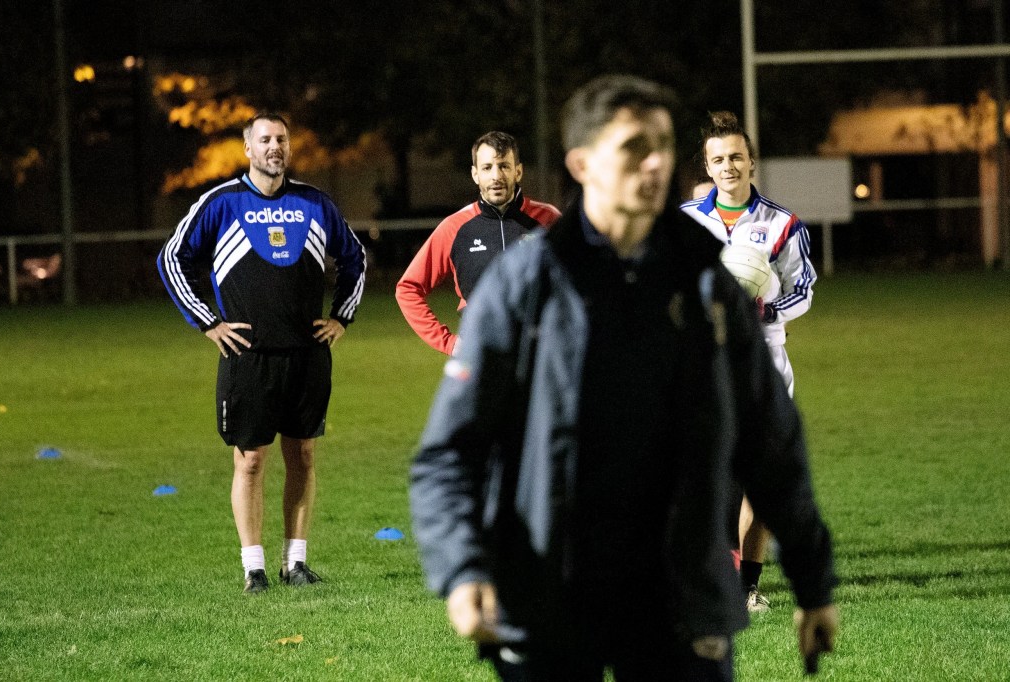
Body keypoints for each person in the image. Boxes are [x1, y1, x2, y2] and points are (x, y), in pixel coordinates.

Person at [409, 75, 838, 680]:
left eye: (662, 145)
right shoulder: (526, 282)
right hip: (550, 590)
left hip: (680, 594)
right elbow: (449, 449)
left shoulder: (707, 283)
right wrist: (462, 570)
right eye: (634, 148)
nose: (656, 162)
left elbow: (771, 438)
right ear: (582, 164)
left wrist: (813, 581)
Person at [157, 113, 367, 594]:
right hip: (248, 355)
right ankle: (254, 568)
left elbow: (354, 257)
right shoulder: (222, 202)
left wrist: (342, 316)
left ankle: (296, 563)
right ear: (248, 148)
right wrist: (208, 321)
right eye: (265, 139)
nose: (275, 147)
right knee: (250, 460)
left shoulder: (315, 202)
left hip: (307, 354)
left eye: (282, 139)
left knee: (304, 455)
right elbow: (172, 257)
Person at [681, 111, 818, 613]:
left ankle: (747, 586)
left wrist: (767, 308)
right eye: (718, 159)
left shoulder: (782, 224)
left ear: (751, 162)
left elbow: (804, 288)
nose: (728, 166)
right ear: (708, 166)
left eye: (736, 157)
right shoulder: (684, 221)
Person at [395, 131, 560, 354]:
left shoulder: (550, 220)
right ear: (475, 174)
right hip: (480, 354)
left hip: (539, 353)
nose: (496, 176)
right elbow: (408, 288)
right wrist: (448, 343)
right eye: (487, 168)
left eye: (504, 166)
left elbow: (585, 278)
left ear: (518, 171)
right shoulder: (454, 227)